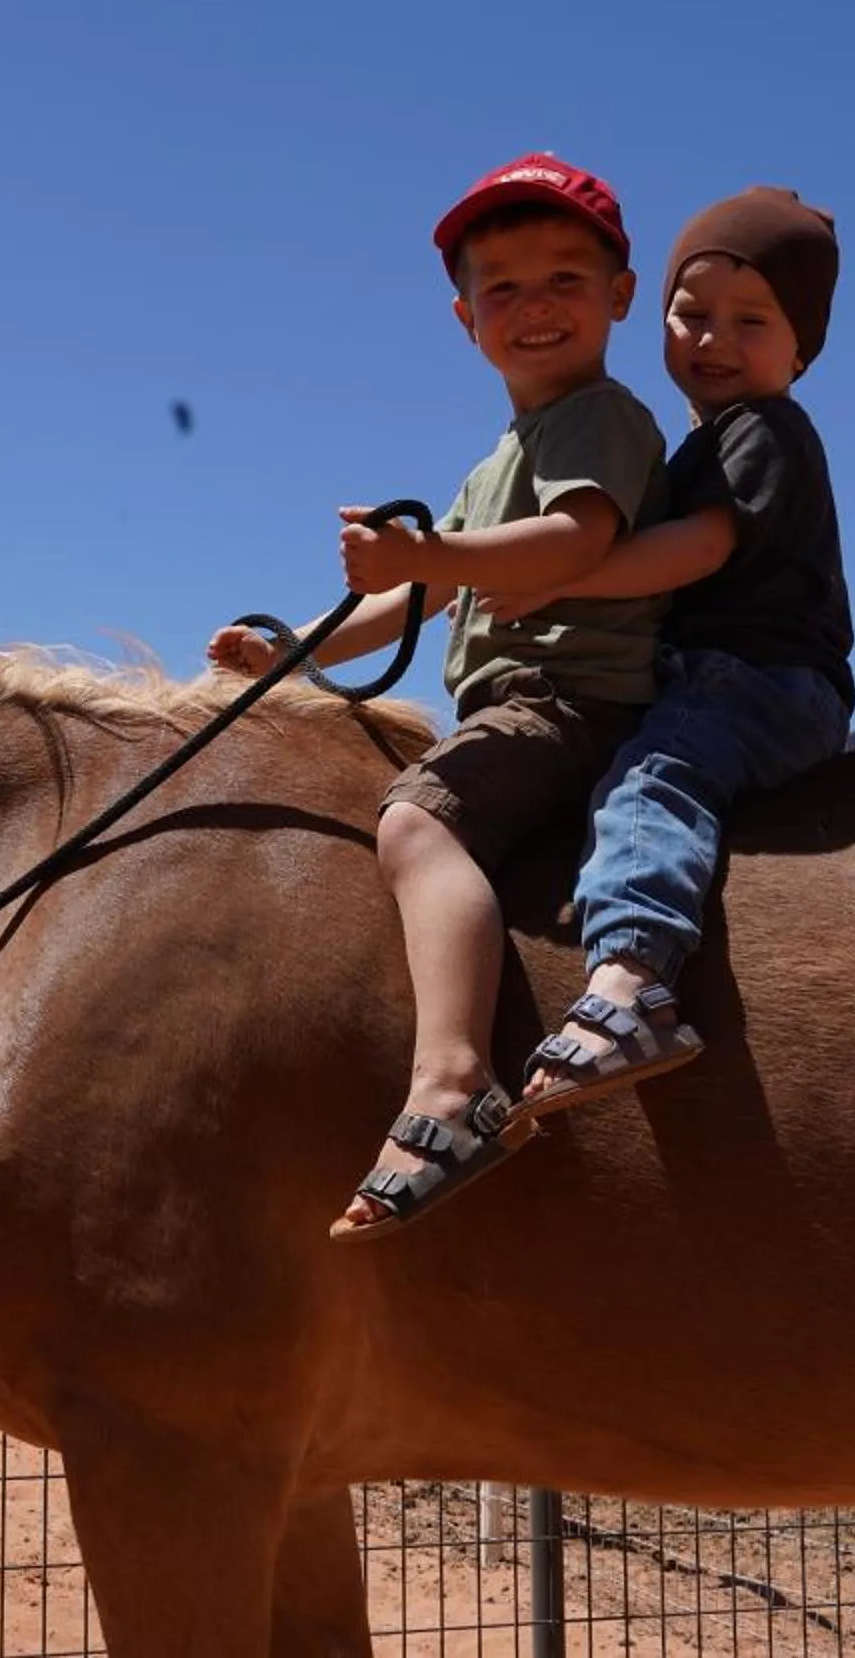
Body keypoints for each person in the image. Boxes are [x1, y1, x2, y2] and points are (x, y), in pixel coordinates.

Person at [203, 153, 674, 1241]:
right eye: (503, 287)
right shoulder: (499, 459)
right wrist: (296, 652)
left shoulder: (598, 419)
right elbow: (420, 601)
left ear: (620, 296)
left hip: (572, 698)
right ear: (467, 320)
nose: (534, 305)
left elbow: (576, 540)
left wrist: (430, 553)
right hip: (521, 698)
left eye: (564, 278)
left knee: (417, 823)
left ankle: (453, 1083)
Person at [487, 185, 855, 1113]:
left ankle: (630, 985)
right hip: (723, 679)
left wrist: (561, 578)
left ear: (801, 349)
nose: (714, 339)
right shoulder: (695, 448)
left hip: (756, 676)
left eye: (751, 321)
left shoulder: (764, 431)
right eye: (691, 315)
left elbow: (700, 549)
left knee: (651, 784)